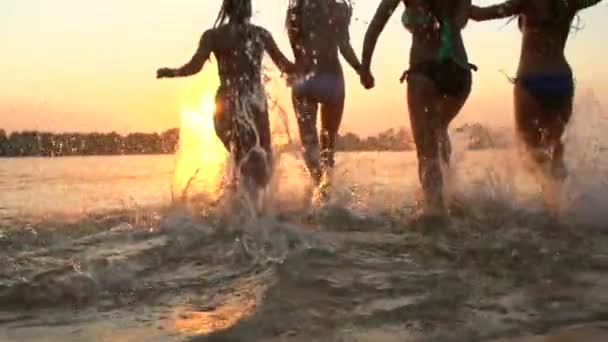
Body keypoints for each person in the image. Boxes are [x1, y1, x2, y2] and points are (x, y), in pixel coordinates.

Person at [157, 0, 296, 201]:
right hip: (254, 102)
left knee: (240, 158)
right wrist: (308, 63)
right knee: (262, 160)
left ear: (227, 7)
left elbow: (194, 66)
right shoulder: (260, 34)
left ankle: (235, 207)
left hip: (226, 102)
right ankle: (256, 213)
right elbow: (285, 66)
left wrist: (173, 72)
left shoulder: (214, 36)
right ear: (248, 7)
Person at [470, 0, 604, 207]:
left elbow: (478, 14)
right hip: (561, 80)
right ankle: (566, 205)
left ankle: (550, 200)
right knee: (556, 146)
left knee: (530, 149)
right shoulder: (569, 3)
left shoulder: (525, 2)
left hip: (531, 80)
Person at [361, 0, 476, 214]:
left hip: (424, 70)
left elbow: (375, 26)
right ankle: (451, 194)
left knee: (427, 151)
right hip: (459, 71)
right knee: (439, 128)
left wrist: (365, 68)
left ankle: (436, 212)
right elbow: (474, 14)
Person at [286, 0, 374, 200]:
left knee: (309, 144)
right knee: (328, 147)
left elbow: (297, 49)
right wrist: (361, 69)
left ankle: (317, 187)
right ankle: (326, 194)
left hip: (305, 80)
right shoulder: (339, 8)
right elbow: (343, 45)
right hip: (331, 78)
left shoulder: (296, 9)